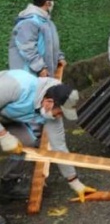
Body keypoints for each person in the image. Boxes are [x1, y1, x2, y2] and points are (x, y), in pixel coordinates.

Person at [0, 70, 96, 202]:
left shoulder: (52, 108)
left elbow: (59, 148)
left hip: (5, 117)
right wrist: (3, 135)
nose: (59, 117)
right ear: (49, 101)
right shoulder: (18, 85)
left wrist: (74, 181)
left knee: (26, 142)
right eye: (59, 113)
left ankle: (8, 184)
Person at [8, 0, 66, 78]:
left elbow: (51, 44)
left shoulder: (47, 21)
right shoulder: (29, 22)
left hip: (42, 75)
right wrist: (40, 68)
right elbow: (27, 48)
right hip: (28, 75)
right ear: (48, 3)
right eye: (52, 1)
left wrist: (59, 57)